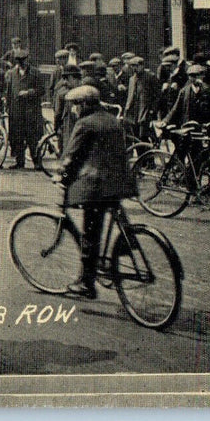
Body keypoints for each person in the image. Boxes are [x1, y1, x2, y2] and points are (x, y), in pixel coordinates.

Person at [57, 85, 137, 299]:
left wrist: (62, 175)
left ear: (82, 105)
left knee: (91, 232)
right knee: (112, 213)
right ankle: (129, 243)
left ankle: (86, 283)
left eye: (75, 105)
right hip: (120, 183)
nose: (74, 110)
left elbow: (72, 156)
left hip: (97, 186)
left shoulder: (85, 124)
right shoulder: (112, 119)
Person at [5, 49, 45, 170]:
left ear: (27, 60)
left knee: (32, 138)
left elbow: (42, 90)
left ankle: (37, 162)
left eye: (23, 61)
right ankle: (20, 162)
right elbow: (9, 92)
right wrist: (8, 108)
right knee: (17, 138)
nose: (21, 63)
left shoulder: (35, 73)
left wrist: (29, 92)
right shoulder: (11, 73)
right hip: (16, 112)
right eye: (18, 61)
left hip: (31, 112)